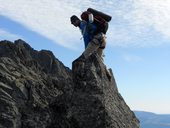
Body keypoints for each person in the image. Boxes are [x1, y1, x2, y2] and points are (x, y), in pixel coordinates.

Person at [70, 15, 111, 80]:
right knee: (100, 59)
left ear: (77, 20)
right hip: (102, 39)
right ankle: (107, 73)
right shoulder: (86, 22)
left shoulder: (82, 24)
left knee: (82, 58)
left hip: (96, 40)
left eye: (73, 23)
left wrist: (86, 50)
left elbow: (86, 38)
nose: (73, 25)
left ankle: (81, 78)